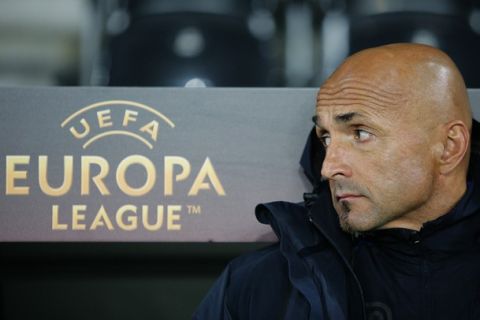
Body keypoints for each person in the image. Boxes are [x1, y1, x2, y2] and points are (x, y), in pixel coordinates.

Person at [193, 43, 480, 320]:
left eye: (360, 134)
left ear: (449, 147)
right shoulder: (257, 287)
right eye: (326, 138)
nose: (329, 167)